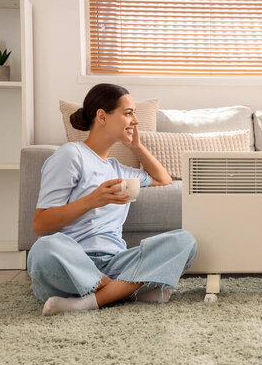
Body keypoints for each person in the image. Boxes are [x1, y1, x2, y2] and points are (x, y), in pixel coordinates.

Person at [27, 83, 197, 316]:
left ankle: (87, 301)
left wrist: (137, 146)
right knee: (43, 249)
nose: (135, 120)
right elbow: (40, 224)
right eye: (128, 113)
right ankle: (126, 289)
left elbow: (163, 179)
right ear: (102, 116)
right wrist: (92, 200)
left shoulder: (121, 170)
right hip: (73, 262)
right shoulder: (71, 155)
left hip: (116, 262)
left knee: (185, 241)